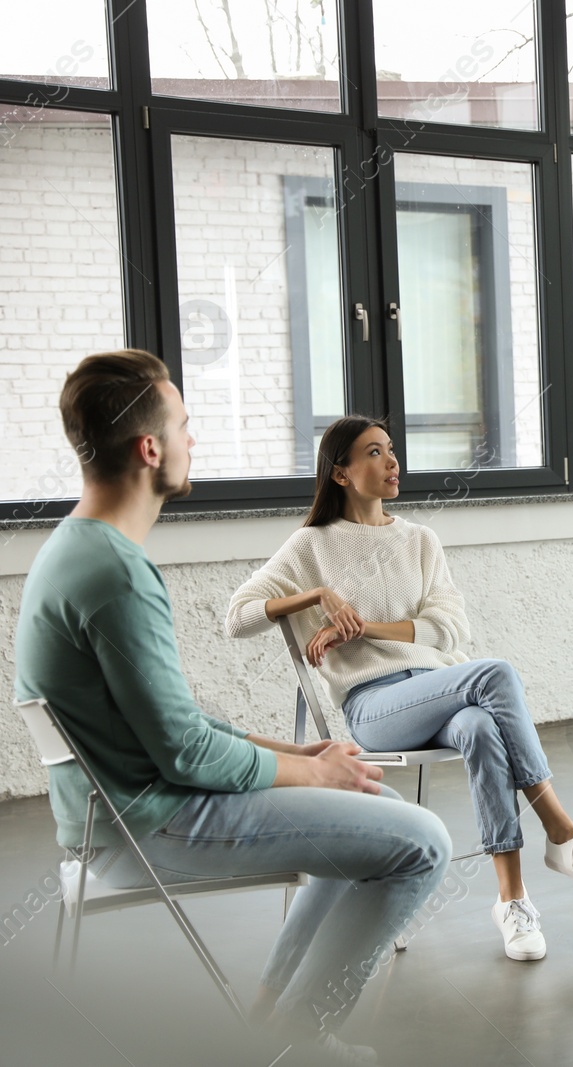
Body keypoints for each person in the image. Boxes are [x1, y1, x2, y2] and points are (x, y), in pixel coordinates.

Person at [14, 350, 449, 1065]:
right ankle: (301, 1039)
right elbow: (182, 751)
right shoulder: (115, 573)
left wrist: (297, 754)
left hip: (117, 814)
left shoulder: (73, 549)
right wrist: (313, 776)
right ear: (149, 447)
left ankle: (270, 1015)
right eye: (184, 425)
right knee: (423, 841)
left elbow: (168, 720)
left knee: (372, 808)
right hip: (150, 827)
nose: (193, 440)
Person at [227, 415, 573, 964]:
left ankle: (512, 902)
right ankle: (560, 830)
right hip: (376, 705)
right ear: (341, 473)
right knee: (495, 673)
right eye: (373, 452)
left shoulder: (419, 540)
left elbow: (449, 628)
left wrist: (363, 626)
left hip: (440, 688)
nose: (392, 461)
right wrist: (316, 596)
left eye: (390, 449)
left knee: (484, 725)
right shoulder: (310, 546)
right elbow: (238, 617)